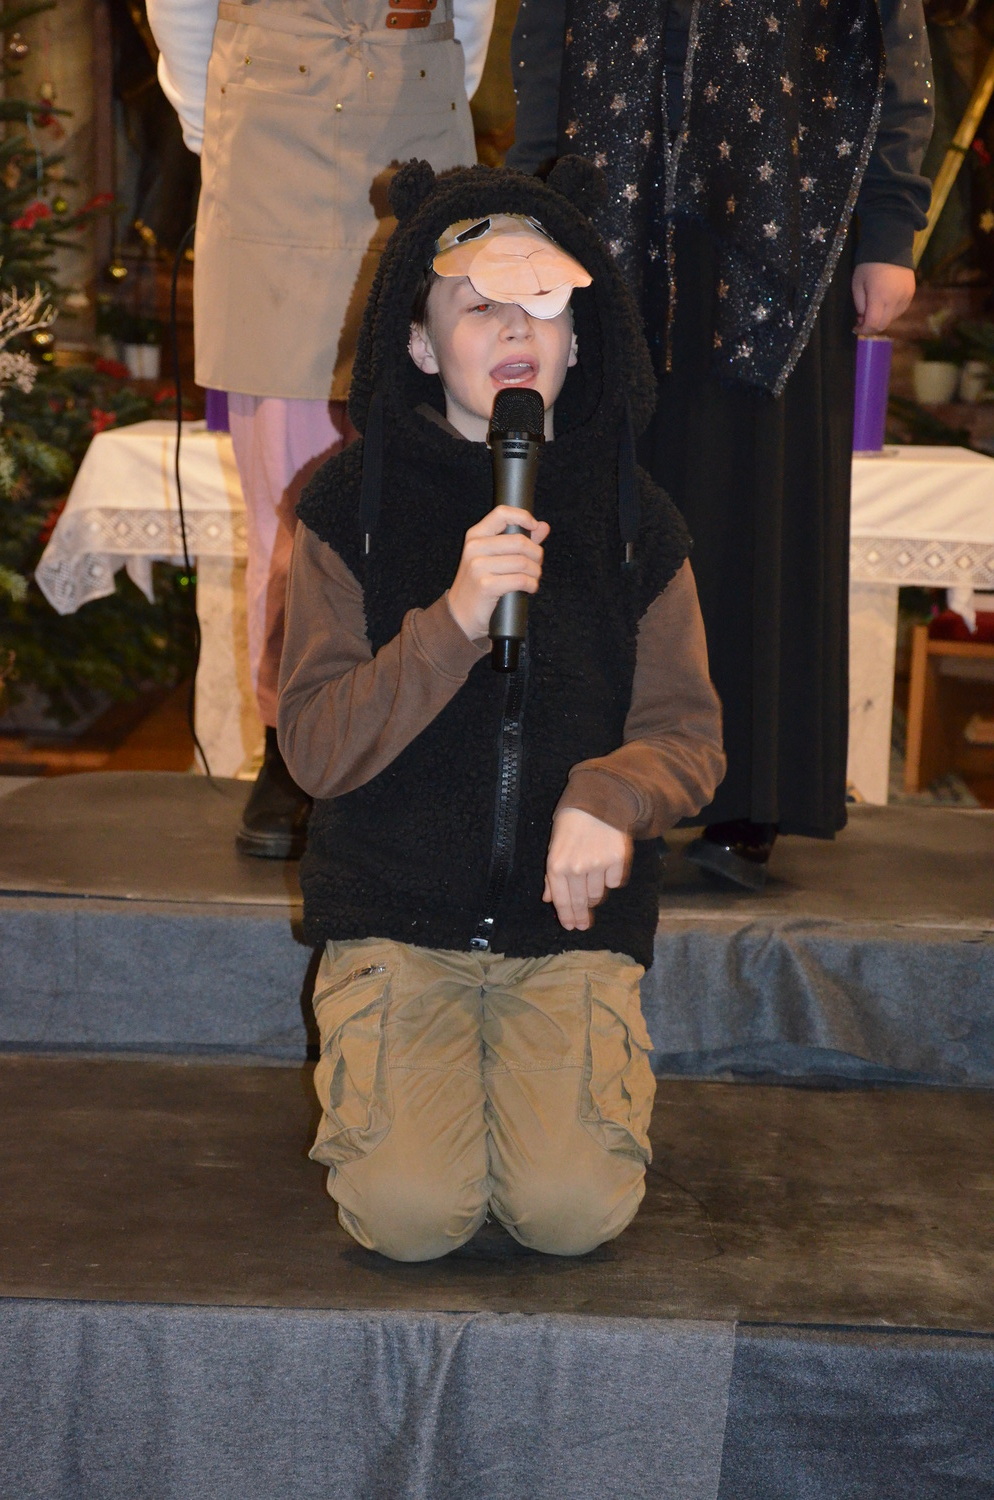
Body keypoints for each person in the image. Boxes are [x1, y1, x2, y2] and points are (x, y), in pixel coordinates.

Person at [277, 157, 725, 1261]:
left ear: (578, 339)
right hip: (399, 920)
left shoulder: (636, 518)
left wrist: (611, 795)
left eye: (544, 303)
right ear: (422, 346)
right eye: (477, 306)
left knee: (569, 1214)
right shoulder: (347, 508)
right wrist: (455, 620)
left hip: (562, 933)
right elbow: (317, 748)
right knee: (410, 1218)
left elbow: (688, 735)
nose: (517, 327)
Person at [508, 0, 934, 887]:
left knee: (758, 515)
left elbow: (893, 49)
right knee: (609, 515)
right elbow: (546, 41)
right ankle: (604, 790)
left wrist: (891, 229)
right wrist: (531, 198)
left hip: (785, 224)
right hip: (609, 219)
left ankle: (750, 795)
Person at [146, 0, 496, 855]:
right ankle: (292, 745)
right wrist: (224, 113)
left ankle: (418, 737)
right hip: (273, 129)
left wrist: (418, 61)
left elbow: (472, 16)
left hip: (416, 114)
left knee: (430, 464)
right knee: (289, 497)